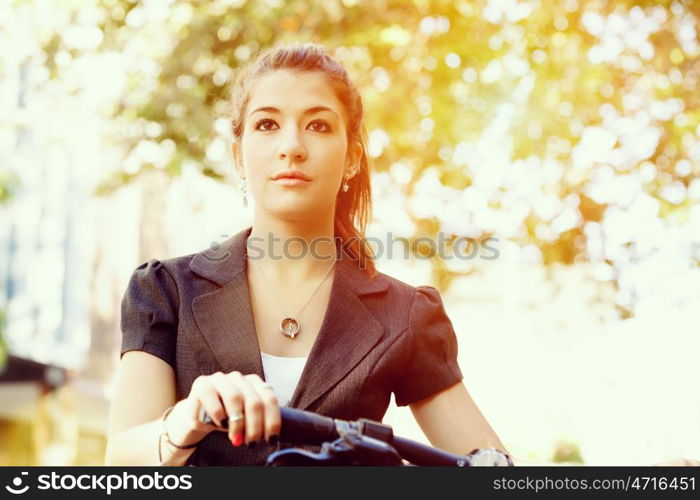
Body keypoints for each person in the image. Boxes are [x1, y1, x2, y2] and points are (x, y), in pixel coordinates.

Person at [104, 42, 510, 466]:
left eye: (317, 126)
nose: (292, 146)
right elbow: (120, 464)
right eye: (266, 125)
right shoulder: (166, 292)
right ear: (237, 156)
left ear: (352, 158)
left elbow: (493, 469)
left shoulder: (405, 315)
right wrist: (185, 421)